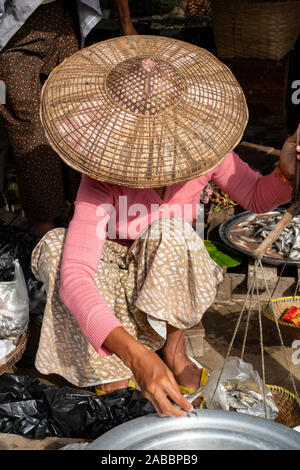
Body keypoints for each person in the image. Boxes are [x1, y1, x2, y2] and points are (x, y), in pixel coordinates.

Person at [32, 35, 300, 418]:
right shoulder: (103, 175)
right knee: (58, 248)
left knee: (170, 231)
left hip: (162, 269)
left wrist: (285, 172)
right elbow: (77, 274)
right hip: (115, 273)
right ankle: (115, 364)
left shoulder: (204, 150)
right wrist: (136, 356)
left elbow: (256, 197)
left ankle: (173, 353)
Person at [0, 0, 136, 237]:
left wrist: (125, 23)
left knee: (73, 122)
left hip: (62, 21)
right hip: (13, 31)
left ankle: (81, 218)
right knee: (29, 131)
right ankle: (47, 232)